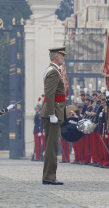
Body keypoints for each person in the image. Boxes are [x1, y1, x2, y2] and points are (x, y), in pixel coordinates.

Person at [40, 46, 67, 185]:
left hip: (56, 111)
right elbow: (50, 95)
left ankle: (49, 175)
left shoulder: (54, 71)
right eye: (63, 55)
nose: (64, 58)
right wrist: (52, 114)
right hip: (54, 112)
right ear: (56, 56)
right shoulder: (54, 72)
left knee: (52, 145)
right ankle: (49, 176)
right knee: (52, 145)